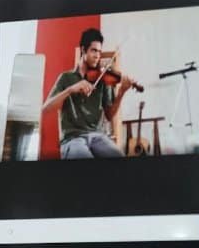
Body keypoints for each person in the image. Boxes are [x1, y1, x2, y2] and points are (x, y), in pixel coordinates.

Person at [41, 28, 137, 159]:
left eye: (99, 51)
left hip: (98, 137)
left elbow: (109, 115)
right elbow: (46, 108)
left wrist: (121, 93)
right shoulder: (66, 78)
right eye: (94, 50)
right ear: (83, 50)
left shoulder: (103, 79)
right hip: (73, 138)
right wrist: (70, 90)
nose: (98, 55)